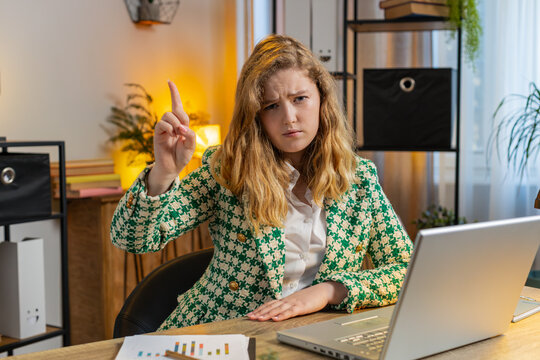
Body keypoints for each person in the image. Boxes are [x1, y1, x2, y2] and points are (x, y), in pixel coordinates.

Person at [110, 34, 413, 330]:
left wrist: (329, 291)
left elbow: (406, 270)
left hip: (316, 336)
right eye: (271, 106)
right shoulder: (228, 172)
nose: (289, 117)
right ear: (256, 115)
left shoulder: (359, 179)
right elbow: (131, 239)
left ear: (322, 99)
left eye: (300, 99)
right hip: (221, 336)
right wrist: (164, 171)